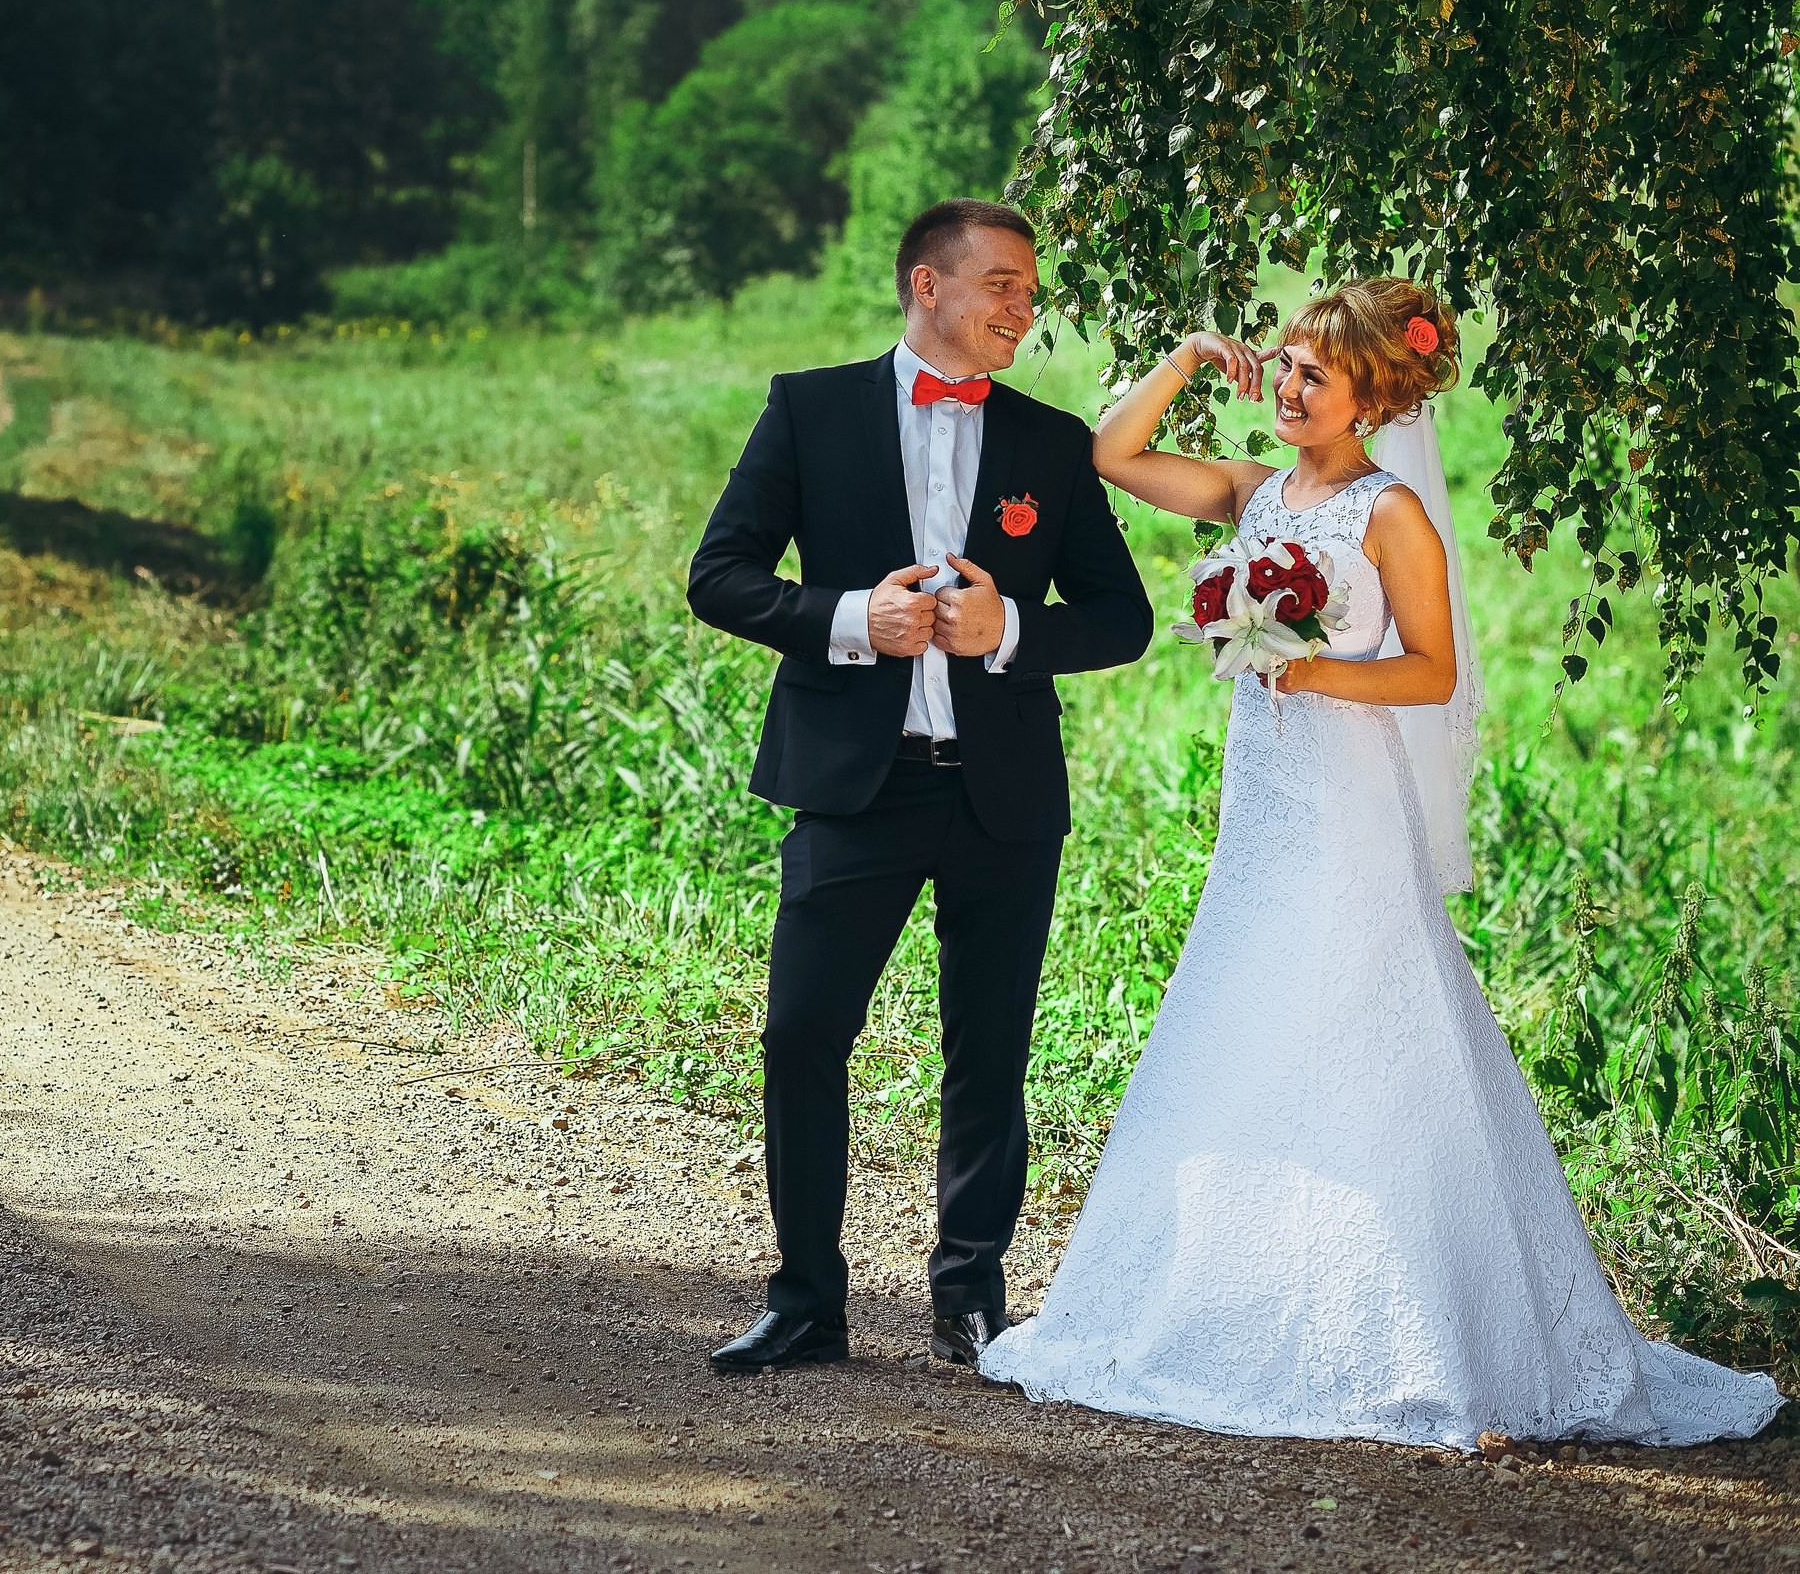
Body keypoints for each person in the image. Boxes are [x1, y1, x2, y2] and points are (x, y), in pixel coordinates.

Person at [977, 279, 1784, 1445]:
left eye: (1315, 375)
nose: (1291, 389)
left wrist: (1312, 671)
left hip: (1347, 792)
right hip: (1261, 791)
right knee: (1250, 1006)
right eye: (1287, 368)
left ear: (1369, 396)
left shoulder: (1386, 512)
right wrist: (1191, 358)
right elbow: (1110, 454)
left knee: (1359, 1015)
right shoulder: (1252, 492)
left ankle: (1406, 1323)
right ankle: (1239, 1294)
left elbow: (1433, 671)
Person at [686, 199, 1152, 1374]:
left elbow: (1123, 617)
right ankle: (804, 1302)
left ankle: (970, 1298)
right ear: (924, 287)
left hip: (1001, 794)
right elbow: (720, 575)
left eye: (1029, 291)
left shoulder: (1052, 444)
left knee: (989, 1047)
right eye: (1000, 284)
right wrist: (853, 618)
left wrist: (1009, 630)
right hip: (854, 785)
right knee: (801, 1032)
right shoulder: (811, 407)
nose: (1022, 308)